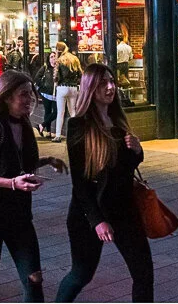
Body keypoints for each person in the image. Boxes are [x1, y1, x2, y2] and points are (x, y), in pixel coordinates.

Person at [0, 70, 68, 302]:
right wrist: (12, 183)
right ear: (7, 96)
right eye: (23, 94)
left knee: (34, 276)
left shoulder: (23, 124)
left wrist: (47, 160)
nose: (30, 99)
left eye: (31, 94)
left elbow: (16, 162)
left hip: (19, 214)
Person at [56, 63, 151, 302]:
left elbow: (127, 167)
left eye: (112, 81)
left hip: (123, 209)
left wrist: (138, 151)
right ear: (90, 87)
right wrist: (97, 221)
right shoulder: (79, 125)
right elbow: (80, 183)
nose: (110, 87)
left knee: (143, 273)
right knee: (82, 274)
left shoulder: (118, 120)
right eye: (103, 83)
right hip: (89, 213)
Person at [53, 42, 83, 143]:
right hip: (73, 88)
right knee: (73, 111)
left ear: (58, 49)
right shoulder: (74, 58)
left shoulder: (59, 60)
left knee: (60, 112)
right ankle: (77, 133)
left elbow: (56, 77)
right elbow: (80, 74)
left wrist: (56, 81)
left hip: (62, 87)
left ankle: (58, 136)